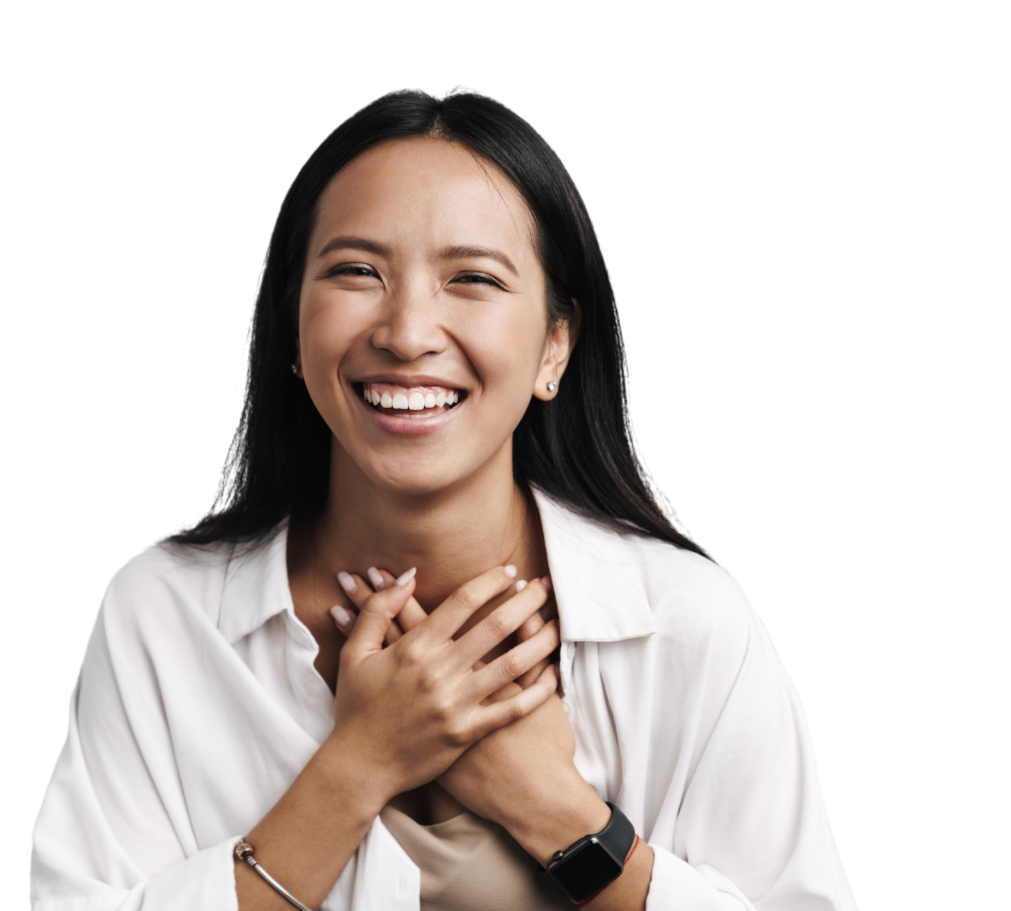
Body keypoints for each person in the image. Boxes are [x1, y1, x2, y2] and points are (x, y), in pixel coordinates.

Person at [30, 87, 859, 910]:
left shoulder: (687, 620)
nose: (406, 331)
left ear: (554, 346)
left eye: (471, 277)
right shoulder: (162, 611)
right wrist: (363, 761)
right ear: (290, 329)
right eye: (356, 270)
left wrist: (558, 814)